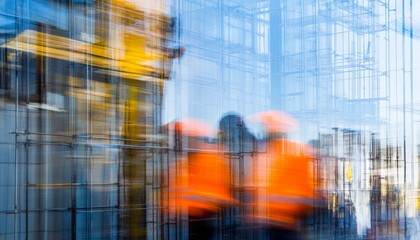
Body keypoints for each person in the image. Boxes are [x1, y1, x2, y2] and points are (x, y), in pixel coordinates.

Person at [247, 110, 316, 240]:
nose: (263, 131)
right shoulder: (294, 151)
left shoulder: (270, 153)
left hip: (283, 217)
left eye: (266, 127)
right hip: (279, 217)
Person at [165, 118, 234, 240]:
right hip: (188, 215)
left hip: (206, 214)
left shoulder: (212, 157)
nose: (179, 141)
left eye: (183, 137)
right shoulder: (183, 161)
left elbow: (217, 189)